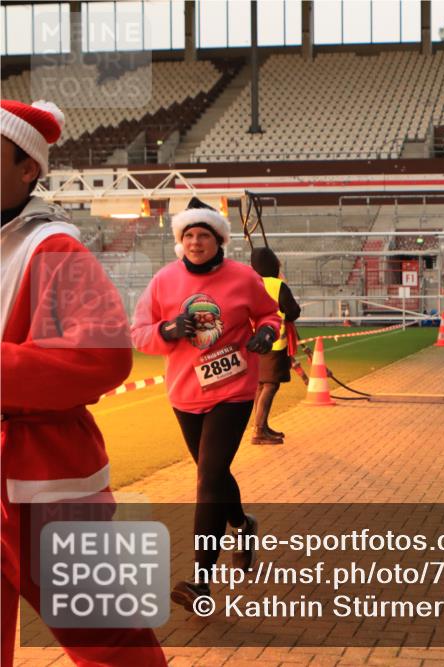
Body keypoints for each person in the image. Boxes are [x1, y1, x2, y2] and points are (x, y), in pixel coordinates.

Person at [1, 99, 167, 665]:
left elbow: (100, 357)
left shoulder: (53, 250)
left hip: (43, 484)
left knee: (112, 644)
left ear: (28, 169)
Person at [131, 197, 282, 611]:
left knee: (206, 480)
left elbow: (270, 315)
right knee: (212, 475)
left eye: (204, 235)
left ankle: (200, 581)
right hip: (184, 393)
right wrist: (166, 329)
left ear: (219, 239)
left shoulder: (243, 277)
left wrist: (267, 334)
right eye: (189, 235)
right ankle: (242, 523)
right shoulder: (163, 281)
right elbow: (139, 333)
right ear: (181, 241)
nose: (196, 242)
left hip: (233, 391)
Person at [250, 247, 301, 446]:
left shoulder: (252, 283)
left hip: (254, 342)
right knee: (270, 385)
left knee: (260, 385)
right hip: (274, 342)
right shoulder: (278, 285)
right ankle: (259, 430)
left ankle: (261, 425)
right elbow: (293, 312)